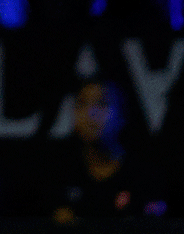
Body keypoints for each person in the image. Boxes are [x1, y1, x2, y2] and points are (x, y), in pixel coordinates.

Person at [48, 79, 167, 224]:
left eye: (102, 103)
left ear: (122, 115)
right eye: (82, 103)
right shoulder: (58, 174)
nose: (90, 113)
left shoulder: (144, 177)